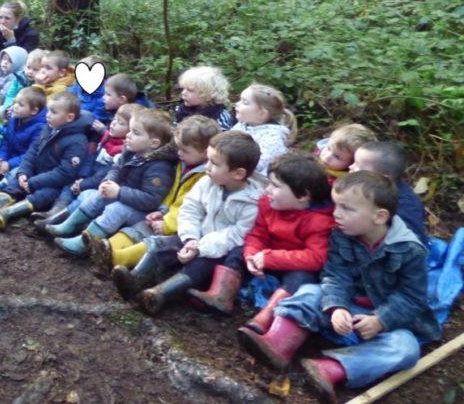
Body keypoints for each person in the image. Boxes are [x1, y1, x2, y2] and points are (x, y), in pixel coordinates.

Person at [237, 171, 439, 402]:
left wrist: (381, 320)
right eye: (336, 206)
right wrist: (337, 306)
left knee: (406, 348)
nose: (336, 214)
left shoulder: (409, 250)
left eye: (347, 209)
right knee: (310, 292)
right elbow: (335, 275)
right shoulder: (342, 234)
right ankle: (277, 344)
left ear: (380, 216)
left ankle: (331, 368)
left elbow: (411, 297)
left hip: (376, 317)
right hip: (344, 308)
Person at [112, 130, 265, 316]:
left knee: (200, 266)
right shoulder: (207, 183)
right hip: (195, 237)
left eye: (215, 164)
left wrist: (200, 248)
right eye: (208, 160)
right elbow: (190, 209)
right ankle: (135, 280)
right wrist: (190, 237)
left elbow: (236, 235)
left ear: (238, 173)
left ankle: (159, 294)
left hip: (217, 251)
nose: (207, 167)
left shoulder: (253, 203)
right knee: (162, 244)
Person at [188, 151, 334, 317]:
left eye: (276, 186)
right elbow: (257, 234)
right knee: (238, 253)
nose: (268, 189)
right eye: (269, 183)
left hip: (293, 266)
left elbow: (316, 258)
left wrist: (270, 258)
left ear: (303, 195)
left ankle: (268, 319)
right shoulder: (268, 203)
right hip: (264, 259)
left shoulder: (319, 221)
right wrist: (251, 255)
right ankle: (221, 296)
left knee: (300, 279)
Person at [93, 115, 219, 275]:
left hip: (187, 228)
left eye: (184, 150)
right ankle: (104, 249)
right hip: (167, 216)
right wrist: (162, 210)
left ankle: (116, 258)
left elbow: (190, 206)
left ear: (205, 152)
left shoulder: (205, 176)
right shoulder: (185, 163)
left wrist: (167, 223)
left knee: (154, 241)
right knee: (137, 229)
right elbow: (172, 191)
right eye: (178, 147)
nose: (178, 153)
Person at [49, 109, 177, 256]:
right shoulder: (131, 151)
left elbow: (151, 199)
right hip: (125, 197)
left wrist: (118, 192)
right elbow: (116, 168)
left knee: (116, 209)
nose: (128, 135)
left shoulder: (159, 167)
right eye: (129, 130)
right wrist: (109, 181)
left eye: (136, 133)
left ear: (154, 143)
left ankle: (85, 243)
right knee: (98, 196)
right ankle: (69, 226)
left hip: (143, 212)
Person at [0, 91, 94, 231]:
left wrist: (33, 182)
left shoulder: (77, 141)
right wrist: (24, 172)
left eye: (54, 112)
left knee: (42, 196)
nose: (47, 115)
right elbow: (32, 153)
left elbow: (64, 173)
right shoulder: (49, 129)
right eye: (48, 110)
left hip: (54, 185)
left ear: (69, 117)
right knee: (14, 185)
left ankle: (7, 214)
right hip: (34, 175)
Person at [350, 141, 426, 239]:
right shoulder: (368, 188)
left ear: (382, 177)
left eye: (358, 166)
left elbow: (410, 242)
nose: (350, 167)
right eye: (354, 162)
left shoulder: (404, 206)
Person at [232, 82, 297, 177]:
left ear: (261, 114)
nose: (236, 104)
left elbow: (256, 165)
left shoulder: (273, 138)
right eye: (239, 100)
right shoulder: (242, 125)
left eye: (245, 102)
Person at [175, 65, 234, 130]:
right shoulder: (181, 110)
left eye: (190, 90)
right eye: (183, 88)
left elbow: (223, 139)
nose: (183, 93)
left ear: (207, 94)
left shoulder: (220, 116)